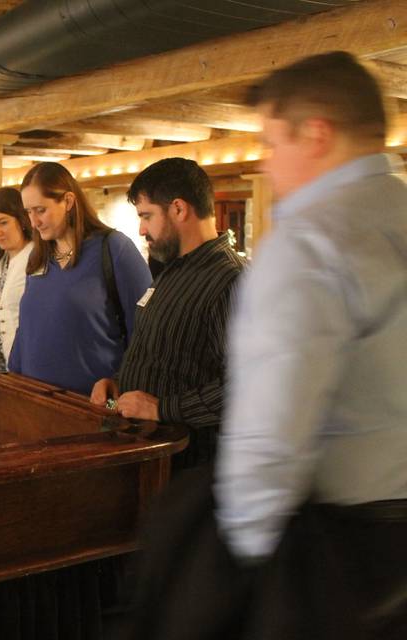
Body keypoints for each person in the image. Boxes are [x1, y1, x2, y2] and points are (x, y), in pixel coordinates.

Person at [124, 52, 407, 640]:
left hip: (331, 540)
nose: (269, 164)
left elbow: (273, 427)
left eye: (274, 143)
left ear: (317, 133)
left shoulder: (309, 242)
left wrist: (232, 564)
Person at [90, 158, 246, 468]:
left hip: (193, 465)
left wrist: (163, 409)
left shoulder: (232, 280)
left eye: (146, 216)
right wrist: (118, 382)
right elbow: (164, 356)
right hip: (151, 457)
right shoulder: (171, 270)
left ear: (178, 209)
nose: (141, 228)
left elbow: (249, 387)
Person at [8, 162, 151, 394]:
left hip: (98, 405)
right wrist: (12, 377)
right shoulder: (40, 255)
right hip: (34, 401)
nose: (33, 222)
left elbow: (147, 332)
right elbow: (27, 329)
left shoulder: (114, 248)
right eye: (28, 212)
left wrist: (119, 382)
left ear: (68, 201)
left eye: (40, 210)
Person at [0, 187, 33, 373]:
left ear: (22, 219)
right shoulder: (1, 260)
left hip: (30, 358)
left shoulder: (36, 257)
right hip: (3, 358)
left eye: (3, 222)